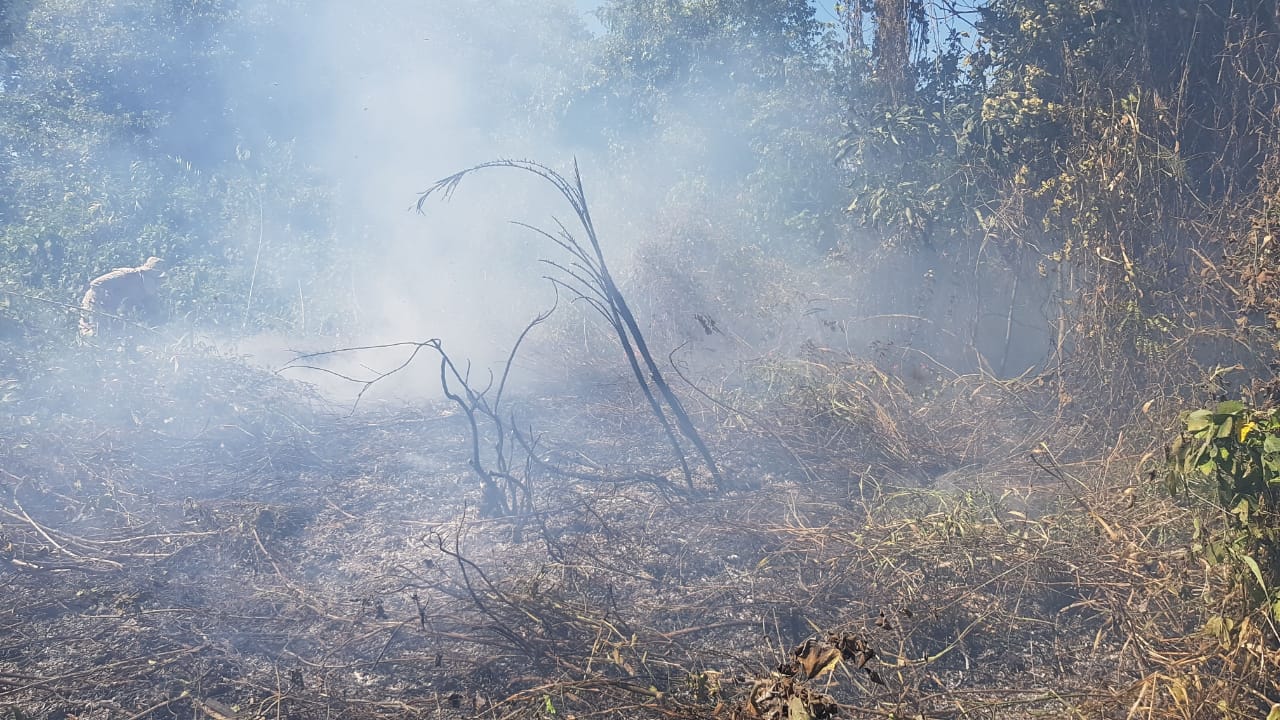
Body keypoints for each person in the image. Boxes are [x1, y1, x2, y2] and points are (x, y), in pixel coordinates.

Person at [78, 256, 167, 337]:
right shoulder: (126, 275)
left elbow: (151, 309)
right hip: (95, 303)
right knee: (94, 332)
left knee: (113, 335)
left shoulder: (147, 289)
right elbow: (96, 284)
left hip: (112, 308)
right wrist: (103, 304)